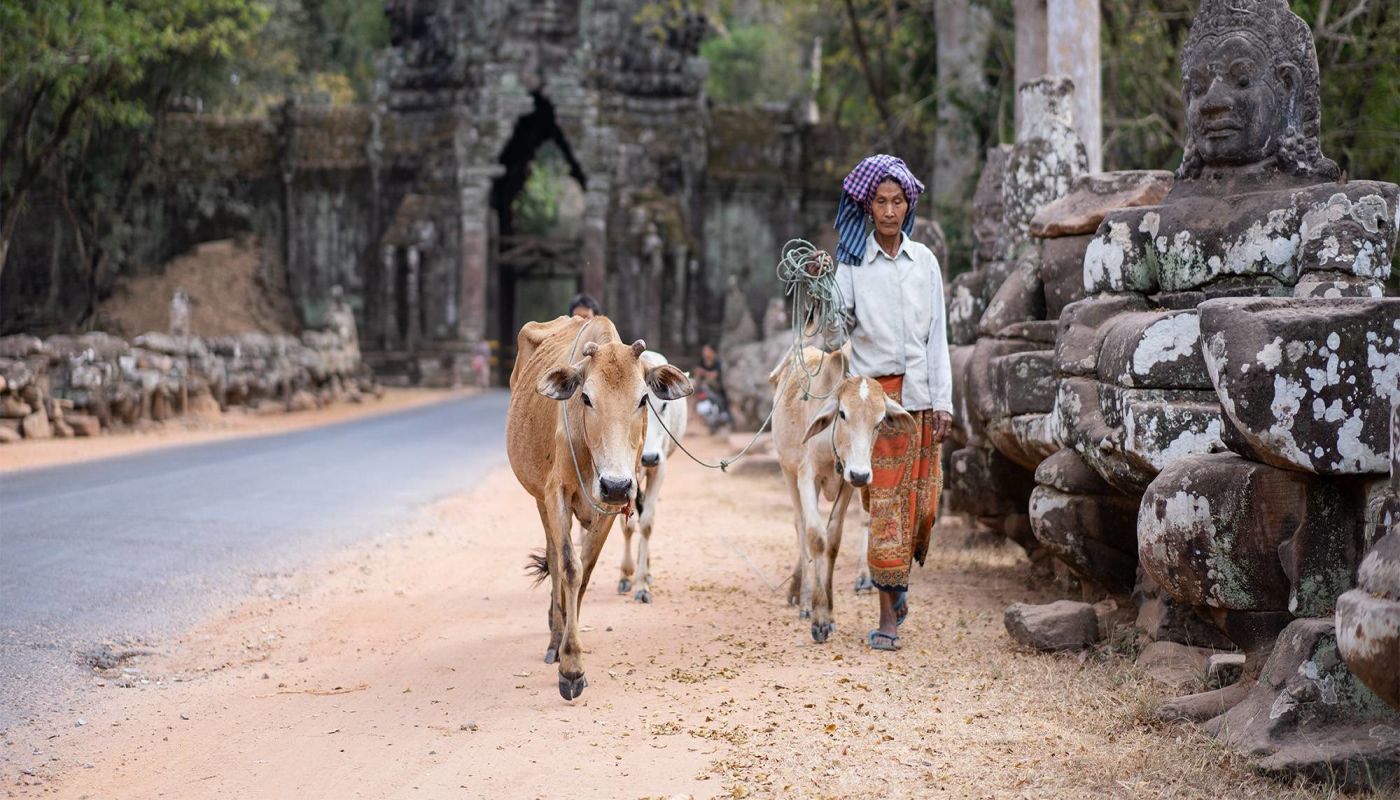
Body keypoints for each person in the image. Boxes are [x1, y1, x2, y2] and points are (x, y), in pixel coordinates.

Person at [818, 154, 954, 651]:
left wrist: (945, 404)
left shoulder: (926, 264)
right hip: (874, 405)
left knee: (922, 509)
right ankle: (887, 616)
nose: (890, 210)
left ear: (908, 205)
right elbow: (836, 331)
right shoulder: (852, 265)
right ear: (867, 206)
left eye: (898, 201)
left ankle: (896, 587)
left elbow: (938, 336)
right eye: (881, 201)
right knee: (887, 510)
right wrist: (823, 288)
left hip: (920, 398)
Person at [691, 343, 732, 433]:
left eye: (707, 351)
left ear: (713, 352)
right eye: (704, 351)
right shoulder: (701, 362)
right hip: (703, 389)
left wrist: (703, 372)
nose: (705, 353)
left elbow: (714, 375)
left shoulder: (717, 362)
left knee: (721, 406)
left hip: (717, 388)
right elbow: (697, 374)